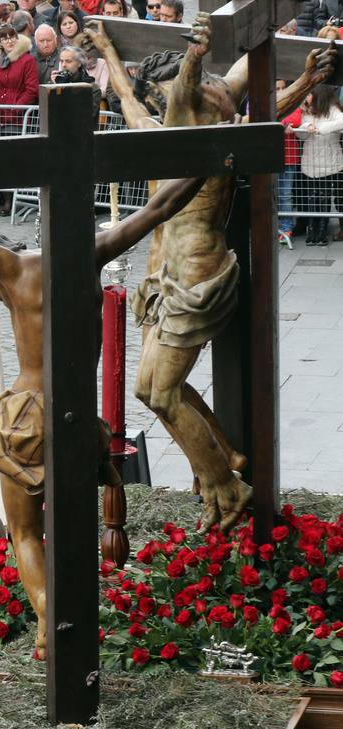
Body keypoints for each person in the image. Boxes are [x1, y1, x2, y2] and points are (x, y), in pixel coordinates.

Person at [0, 171, 206, 653]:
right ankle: (70, 613)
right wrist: (208, 165)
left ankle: (46, 618)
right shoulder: (92, 254)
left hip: (28, 417)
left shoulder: (12, 269)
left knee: (24, 530)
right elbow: (159, 208)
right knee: (74, 526)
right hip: (79, 416)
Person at [85, 15, 334, 527]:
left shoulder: (207, 137)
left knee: (164, 393)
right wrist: (108, 50)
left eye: (168, 92)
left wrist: (200, 57)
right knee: (144, 391)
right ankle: (227, 456)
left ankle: (226, 488)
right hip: (162, 282)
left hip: (198, 279)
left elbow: (250, 107)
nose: (159, 101)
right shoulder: (164, 136)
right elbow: (133, 104)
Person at [296, 84, 343, 245]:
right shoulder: (307, 111)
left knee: (324, 198)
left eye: (310, 94)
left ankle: (321, 232)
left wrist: (321, 128)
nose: (307, 97)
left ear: (319, 95)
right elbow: (301, 135)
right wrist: (306, 127)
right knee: (311, 198)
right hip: (310, 162)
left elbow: (341, 121)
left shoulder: (332, 109)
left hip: (329, 163)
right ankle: (312, 231)